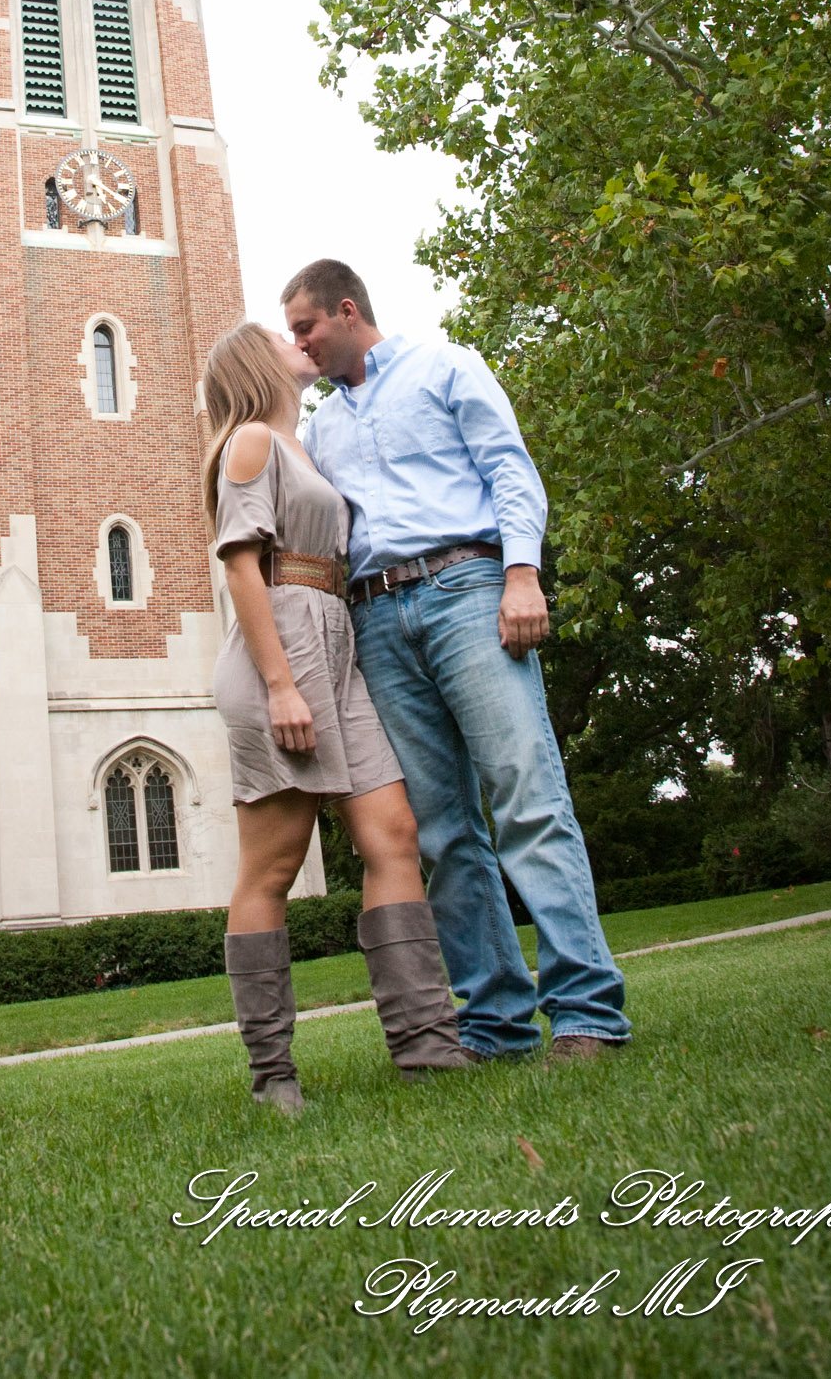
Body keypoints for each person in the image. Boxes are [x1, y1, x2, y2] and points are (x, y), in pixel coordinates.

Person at [282, 258, 630, 1064]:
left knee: (526, 794)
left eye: (305, 327)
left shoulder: (446, 365)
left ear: (345, 310)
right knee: (442, 830)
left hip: (467, 587)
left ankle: (585, 1012)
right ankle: (495, 1022)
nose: (298, 345)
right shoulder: (322, 426)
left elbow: (510, 469)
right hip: (376, 615)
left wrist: (521, 573)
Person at [204, 320, 470, 1112]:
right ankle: (273, 1079)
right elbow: (241, 568)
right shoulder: (252, 440)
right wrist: (282, 685)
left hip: (338, 645)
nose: (300, 342)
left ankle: (427, 1049)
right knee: (274, 869)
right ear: (258, 362)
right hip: (277, 652)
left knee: (393, 837)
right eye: (281, 336)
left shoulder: (308, 444)